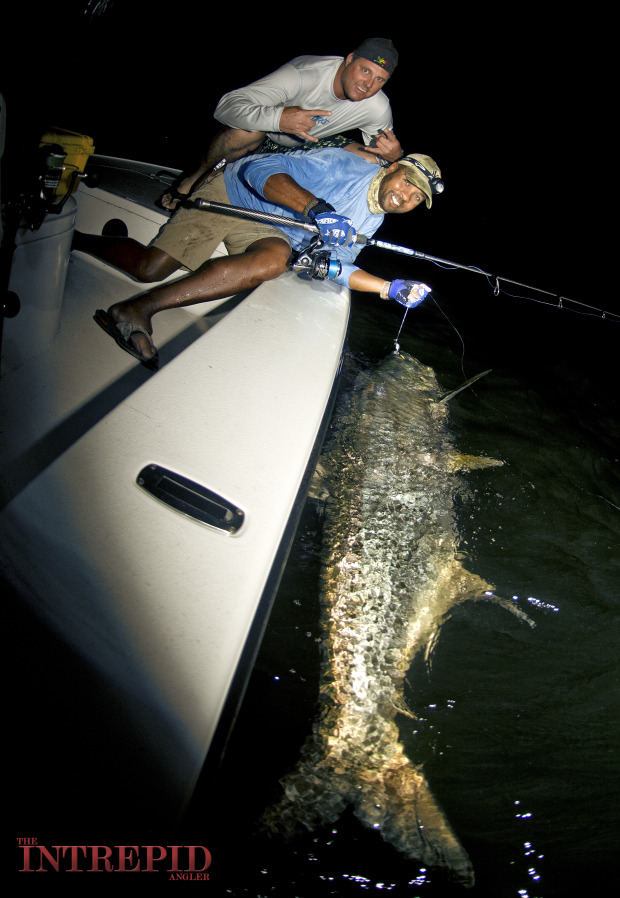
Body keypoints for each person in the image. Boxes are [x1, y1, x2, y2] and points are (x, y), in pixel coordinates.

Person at [92, 147, 443, 370]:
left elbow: (338, 261)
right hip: (233, 193)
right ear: (392, 169)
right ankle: (82, 239)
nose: (404, 196)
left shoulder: (374, 217)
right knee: (150, 268)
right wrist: (316, 209)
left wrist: (388, 288)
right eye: (406, 182)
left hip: (268, 228)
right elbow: (260, 170)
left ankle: (137, 309)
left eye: (415, 197)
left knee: (275, 260)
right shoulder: (344, 167)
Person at [160, 38, 404, 211]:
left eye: (379, 79)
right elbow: (226, 106)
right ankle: (191, 182)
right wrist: (280, 118)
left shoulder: (378, 106)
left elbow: (385, 159)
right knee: (244, 132)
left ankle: (305, 217)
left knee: (372, 160)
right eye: (365, 70)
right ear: (350, 59)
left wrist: (394, 155)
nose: (368, 84)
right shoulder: (304, 73)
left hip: (308, 145)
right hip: (267, 134)